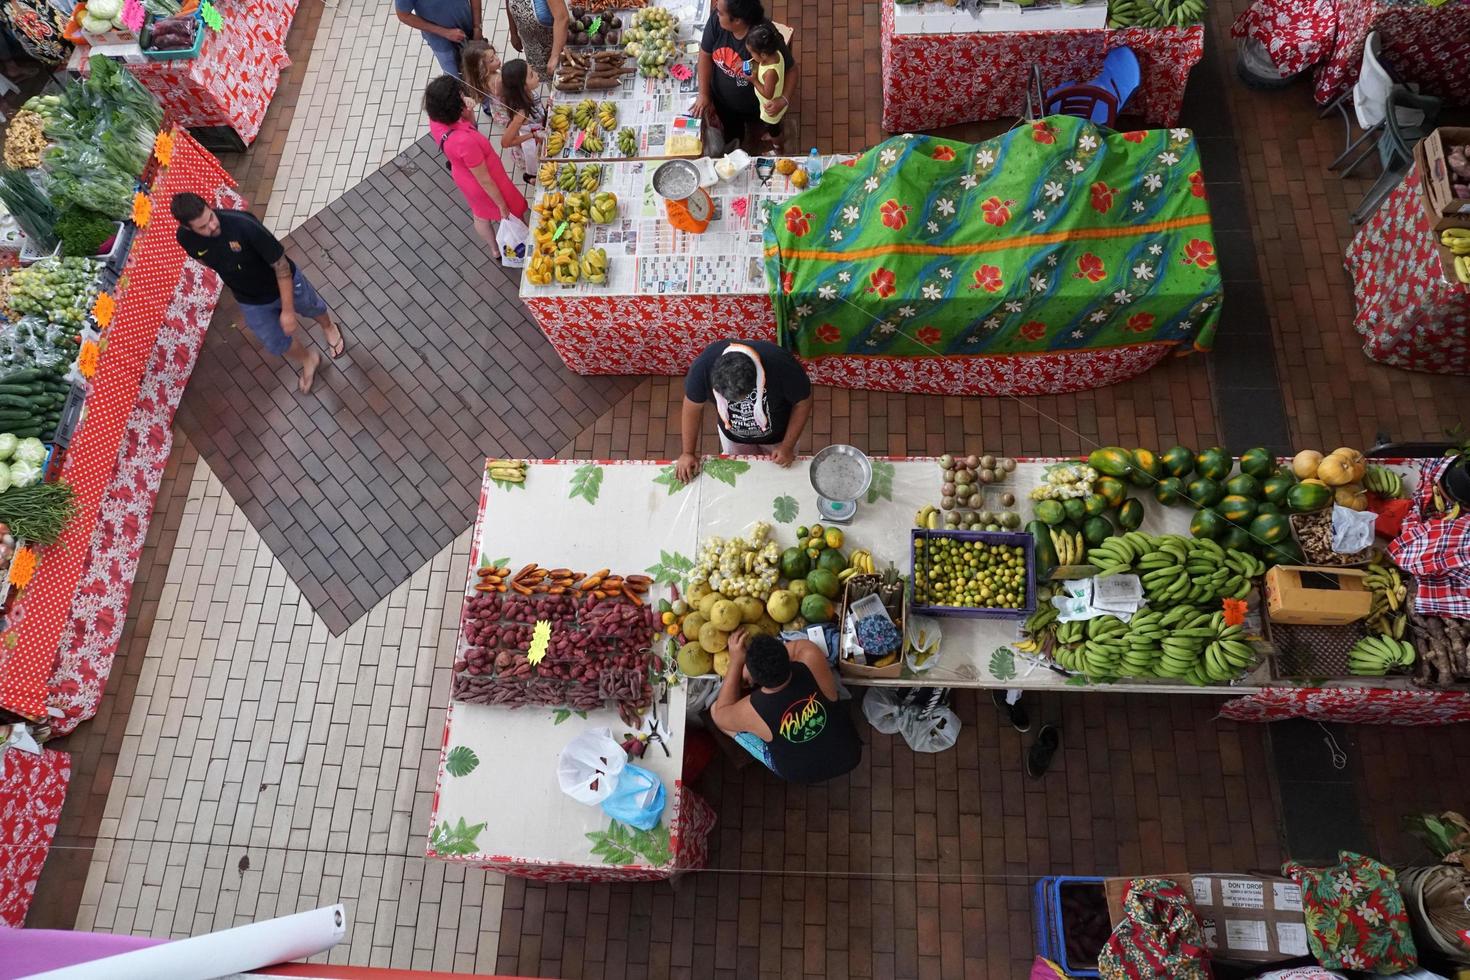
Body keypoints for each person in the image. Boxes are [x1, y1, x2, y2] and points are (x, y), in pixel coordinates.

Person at [171, 193, 344, 394]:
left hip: (281, 284)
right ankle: (308, 359)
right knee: (275, 341)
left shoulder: (243, 225)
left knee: (310, 306)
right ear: (187, 227)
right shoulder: (184, 238)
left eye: (211, 217)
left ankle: (329, 326)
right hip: (250, 299)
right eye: (202, 227)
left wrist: (287, 311)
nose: (211, 226)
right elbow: (203, 260)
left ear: (210, 207)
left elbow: (281, 265)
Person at [711, 629, 862, 783]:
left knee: (715, 710)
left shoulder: (753, 708)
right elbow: (797, 647)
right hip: (848, 754)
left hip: (797, 773)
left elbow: (721, 714)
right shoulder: (811, 658)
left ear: (754, 680)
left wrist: (736, 662)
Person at [677, 339, 812, 482]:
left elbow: (803, 403)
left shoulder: (781, 364)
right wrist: (687, 452)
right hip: (733, 436)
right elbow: (692, 407)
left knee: (781, 475)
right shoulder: (702, 368)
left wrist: (787, 446)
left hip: (779, 437)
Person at [423, 74, 529, 256]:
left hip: (463, 176)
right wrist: (502, 205)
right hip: (487, 179)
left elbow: (468, 125)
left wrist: (467, 111)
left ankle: (494, 249)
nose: (464, 96)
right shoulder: (464, 141)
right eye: (460, 96)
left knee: (480, 214)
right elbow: (485, 179)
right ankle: (525, 239)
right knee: (513, 211)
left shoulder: (436, 120)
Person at [693, 0, 797, 152]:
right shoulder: (716, 22)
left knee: (766, 128)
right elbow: (705, 54)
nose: (716, 14)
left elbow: (792, 70)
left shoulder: (763, 37)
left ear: (737, 20)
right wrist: (703, 93)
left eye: (721, 13)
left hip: (758, 107)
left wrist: (784, 99)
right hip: (724, 103)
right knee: (734, 136)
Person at [394, 0, 480, 77]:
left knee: (483, 72)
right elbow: (403, 15)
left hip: (470, 30)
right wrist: (445, 32)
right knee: (454, 82)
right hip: (442, 44)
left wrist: (477, 27)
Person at [742, 21, 788, 153]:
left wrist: (754, 80)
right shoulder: (775, 54)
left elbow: (768, 93)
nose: (751, 56)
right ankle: (774, 135)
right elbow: (760, 62)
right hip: (768, 105)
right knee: (773, 127)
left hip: (770, 109)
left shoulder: (770, 73)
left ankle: (778, 147)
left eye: (752, 54)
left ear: (763, 55)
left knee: (774, 128)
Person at [498, 58, 547, 182]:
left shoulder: (530, 93)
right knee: (538, 170)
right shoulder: (521, 113)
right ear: (522, 86)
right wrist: (532, 135)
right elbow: (505, 142)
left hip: (541, 134)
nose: (536, 75)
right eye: (531, 75)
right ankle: (529, 178)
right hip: (532, 147)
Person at [504, 0, 569, 76]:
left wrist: (555, 55)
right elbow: (509, 2)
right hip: (532, 48)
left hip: (555, 46)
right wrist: (513, 32)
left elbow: (562, 18)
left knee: (560, 77)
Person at [459, 39, 504, 115]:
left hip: (498, 110)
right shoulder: (498, 80)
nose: (497, 59)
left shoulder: (481, 77)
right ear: (481, 67)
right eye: (492, 60)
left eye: (495, 54)